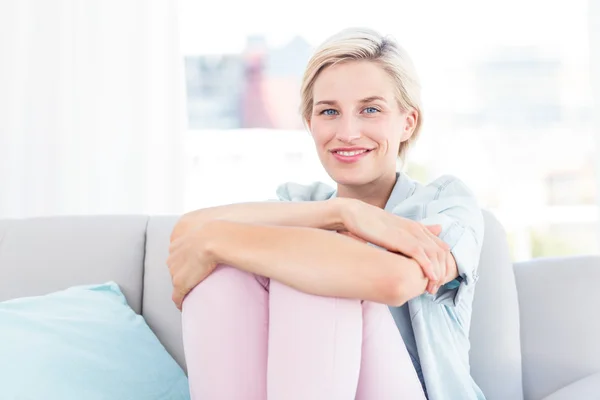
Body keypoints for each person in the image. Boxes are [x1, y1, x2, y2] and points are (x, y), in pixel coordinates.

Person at [167, 27, 486, 400]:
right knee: (225, 277)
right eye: (329, 112)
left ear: (407, 122)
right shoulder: (303, 204)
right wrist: (342, 213)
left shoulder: (444, 201)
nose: (347, 132)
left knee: (314, 274)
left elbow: (395, 282)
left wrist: (217, 240)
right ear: (310, 123)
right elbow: (188, 234)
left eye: (370, 110)